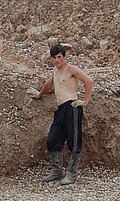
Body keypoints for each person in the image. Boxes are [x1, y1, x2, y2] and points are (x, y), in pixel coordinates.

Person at [30, 44, 94, 185]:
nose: (57, 60)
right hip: (60, 110)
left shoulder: (71, 69)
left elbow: (88, 81)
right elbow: (49, 84)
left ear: (64, 57)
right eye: (54, 57)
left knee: (74, 141)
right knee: (53, 139)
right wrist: (39, 94)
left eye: (59, 57)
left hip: (72, 107)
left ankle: (71, 174)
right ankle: (57, 171)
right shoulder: (55, 71)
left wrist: (85, 101)